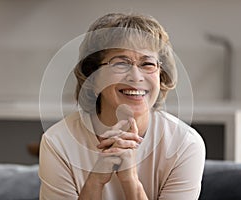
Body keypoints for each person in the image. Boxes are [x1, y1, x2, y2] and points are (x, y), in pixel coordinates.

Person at [39, 12, 205, 200]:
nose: (135, 76)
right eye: (120, 63)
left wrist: (130, 181)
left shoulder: (185, 144)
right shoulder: (58, 142)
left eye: (147, 63)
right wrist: (95, 182)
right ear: (93, 77)